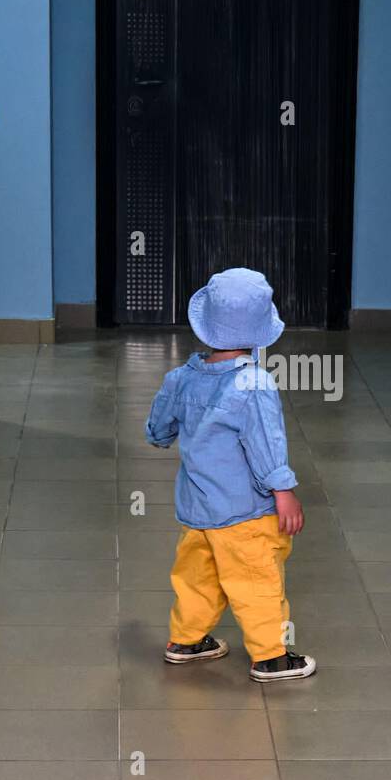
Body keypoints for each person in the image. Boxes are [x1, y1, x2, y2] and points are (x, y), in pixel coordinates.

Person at [144, 268, 316, 681]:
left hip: (197, 510)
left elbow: (158, 431)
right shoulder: (254, 384)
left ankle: (185, 640)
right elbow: (265, 446)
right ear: (259, 333)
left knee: (196, 578)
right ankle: (271, 657)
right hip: (244, 514)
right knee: (256, 581)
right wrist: (284, 491)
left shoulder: (180, 379)